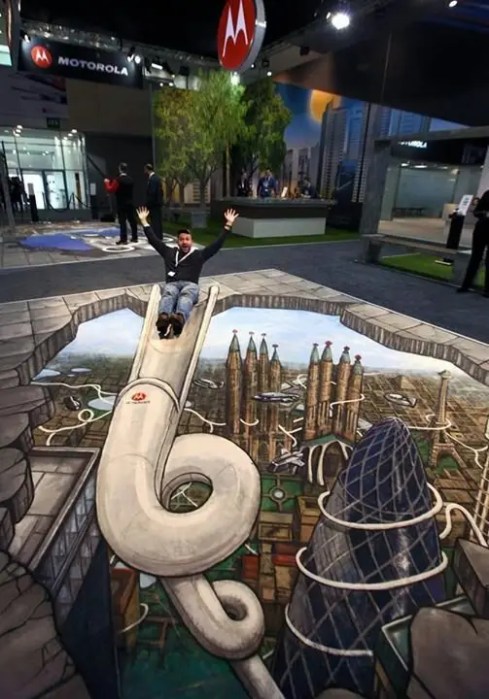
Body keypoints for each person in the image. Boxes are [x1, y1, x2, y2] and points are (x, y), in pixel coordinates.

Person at [137, 206, 239, 337]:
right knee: (169, 294)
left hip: (190, 285)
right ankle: (163, 318)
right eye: (181, 239)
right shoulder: (169, 252)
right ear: (177, 241)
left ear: (191, 241)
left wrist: (228, 224)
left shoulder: (198, 255)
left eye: (187, 239)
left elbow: (216, 245)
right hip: (172, 284)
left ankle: (179, 318)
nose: (184, 242)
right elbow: (153, 240)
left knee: (186, 296)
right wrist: (144, 221)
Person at [457, 191, 489, 298]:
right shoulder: (487, 194)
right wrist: (485, 214)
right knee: (475, 257)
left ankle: (487, 290)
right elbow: (476, 212)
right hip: (481, 229)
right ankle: (466, 285)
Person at [104, 163, 138, 245]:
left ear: (120, 169)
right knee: (132, 220)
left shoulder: (118, 180)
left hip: (121, 203)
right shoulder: (131, 180)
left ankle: (124, 239)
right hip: (130, 202)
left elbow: (110, 189)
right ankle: (135, 237)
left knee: (122, 221)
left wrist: (106, 183)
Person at [144, 163, 164, 240]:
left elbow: (152, 192)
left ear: (147, 169)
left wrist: (148, 203)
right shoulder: (157, 178)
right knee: (158, 220)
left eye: (145, 169)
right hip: (158, 203)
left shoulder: (152, 179)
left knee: (154, 221)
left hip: (153, 203)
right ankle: (159, 236)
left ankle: (156, 237)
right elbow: (161, 191)